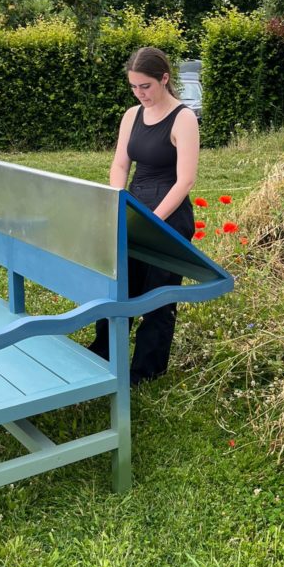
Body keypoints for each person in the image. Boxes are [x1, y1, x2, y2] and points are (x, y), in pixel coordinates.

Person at [89, 46, 200, 385]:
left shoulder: (184, 118)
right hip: (134, 206)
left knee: (158, 294)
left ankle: (146, 371)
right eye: (134, 87)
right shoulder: (131, 115)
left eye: (146, 86)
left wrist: (156, 219)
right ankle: (104, 351)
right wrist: (117, 198)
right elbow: (121, 163)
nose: (140, 94)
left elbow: (186, 179)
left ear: (164, 78)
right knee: (118, 283)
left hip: (169, 214)